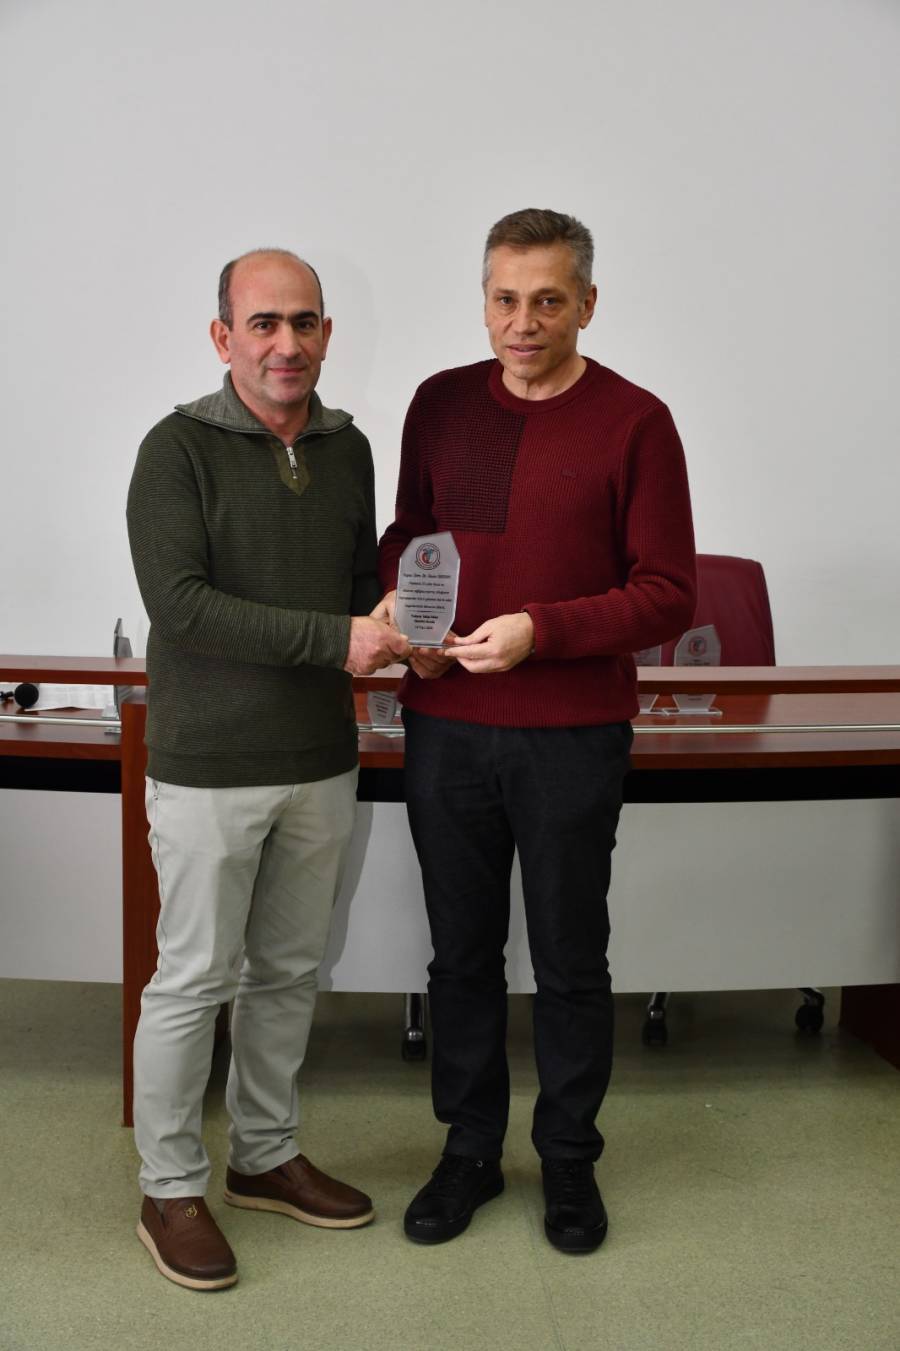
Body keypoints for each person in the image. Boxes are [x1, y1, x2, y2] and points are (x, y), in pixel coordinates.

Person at [376, 209, 696, 1253]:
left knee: (569, 958)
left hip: (572, 734)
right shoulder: (439, 404)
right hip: (447, 726)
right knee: (460, 956)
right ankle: (469, 1149)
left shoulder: (637, 423)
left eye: (548, 300)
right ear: (484, 302)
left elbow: (667, 592)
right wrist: (407, 617)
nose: (524, 322)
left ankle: (567, 1160)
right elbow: (408, 537)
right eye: (506, 299)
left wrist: (538, 631)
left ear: (587, 304)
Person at [127, 248, 410, 1290]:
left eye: (304, 322)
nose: (287, 343)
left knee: (290, 973)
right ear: (224, 337)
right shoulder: (176, 449)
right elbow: (182, 606)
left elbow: (359, 587)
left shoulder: (349, 448)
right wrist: (338, 638)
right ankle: (168, 1186)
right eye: (263, 323)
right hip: (208, 767)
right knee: (193, 980)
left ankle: (264, 1154)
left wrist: (401, 622)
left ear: (327, 333)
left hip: (321, 762)